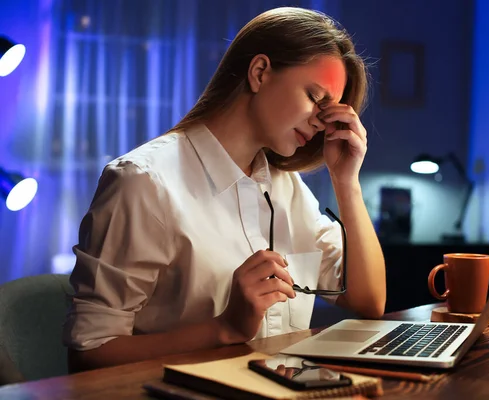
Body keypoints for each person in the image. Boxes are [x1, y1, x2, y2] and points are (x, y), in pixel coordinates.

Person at [63, 6, 386, 373]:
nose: (320, 121)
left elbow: (369, 300)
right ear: (260, 72)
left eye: (330, 110)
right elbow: (88, 354)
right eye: (315, 98)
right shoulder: (143, 182)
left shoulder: (287, 188)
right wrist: (224, 328)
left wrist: (347, 182)